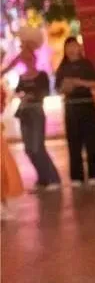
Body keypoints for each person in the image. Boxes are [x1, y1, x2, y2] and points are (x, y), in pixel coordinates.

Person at [55, 37, 95, 187]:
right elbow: (59, 89)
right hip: (71, 107)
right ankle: (76, 177)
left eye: (74, 46)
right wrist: (66, 87)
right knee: (74, 143)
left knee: (92, 142)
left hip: (87, 105)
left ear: (79, 48)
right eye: (68, 46)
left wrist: (79, 82)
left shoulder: (87, 65)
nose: (71, 49)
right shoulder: (62, 68)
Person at [12, 49, 61, 190]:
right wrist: (21, 95)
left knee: (37, 147)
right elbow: (17, 92)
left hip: (36, 111)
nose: (28, 61)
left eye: (30, 58)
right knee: (28, 149)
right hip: (24, 112)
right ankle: (42, 178)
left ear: (35, 59)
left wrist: (31, 95)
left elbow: (45, 92)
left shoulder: (42, 75)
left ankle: (53, 178)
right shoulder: (22, 77)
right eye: (25, 59)